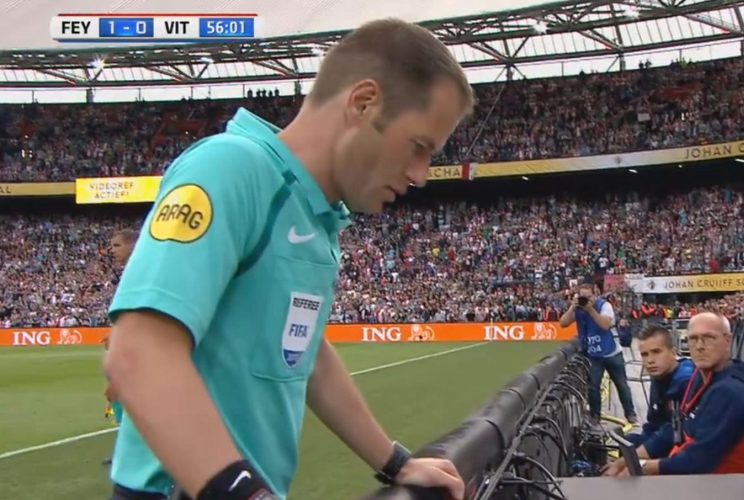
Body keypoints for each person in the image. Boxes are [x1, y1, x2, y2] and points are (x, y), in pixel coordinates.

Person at [103, 19, 473, 500]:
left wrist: (395, 462)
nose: (422, 175)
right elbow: (137, 354)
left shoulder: (317, 217)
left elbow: (307, 357)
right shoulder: (231, 167)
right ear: (363, 102)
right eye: (419, 147)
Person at [603, 312, 744, 476]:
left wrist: (639, 467)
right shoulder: (702, 379)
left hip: (715, 487)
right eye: (693, 339)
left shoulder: (729, 392)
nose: (700, 346)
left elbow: (698, 460)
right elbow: (673, 429)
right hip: (692, 478)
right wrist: (623, 463)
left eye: (709, 338)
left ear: (727, 341)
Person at [560, 282, 639, 424]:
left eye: (588, 296)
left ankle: (630, 414)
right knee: (593, 386)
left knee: (621, 384)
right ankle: (595, 416)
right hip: (593, 354)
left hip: (612, 352)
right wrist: (573, 306)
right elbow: (563, 323)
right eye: (582, 296)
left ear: (595, 295)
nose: (585, 300)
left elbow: (605, 325)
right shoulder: (578, 309)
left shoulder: (604, 306)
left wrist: (590, 310)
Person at [102, 228, 138, 466]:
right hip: (129, 346)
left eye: (117, 246)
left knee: (121, 395)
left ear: (132, 245)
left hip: (137, 351)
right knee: (118, 398)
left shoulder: (138, 272)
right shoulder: (130, 272)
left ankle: (131, 454)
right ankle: (127, 450)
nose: (111, 251)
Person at [624, 325, 695, 447]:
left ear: (673, 352)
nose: (650, 360)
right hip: (662, 439)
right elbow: (653, 423)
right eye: (645, 354)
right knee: (629, 441)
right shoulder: (658, 375)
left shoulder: (685, 381)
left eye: (656, 352)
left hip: (683, 446)